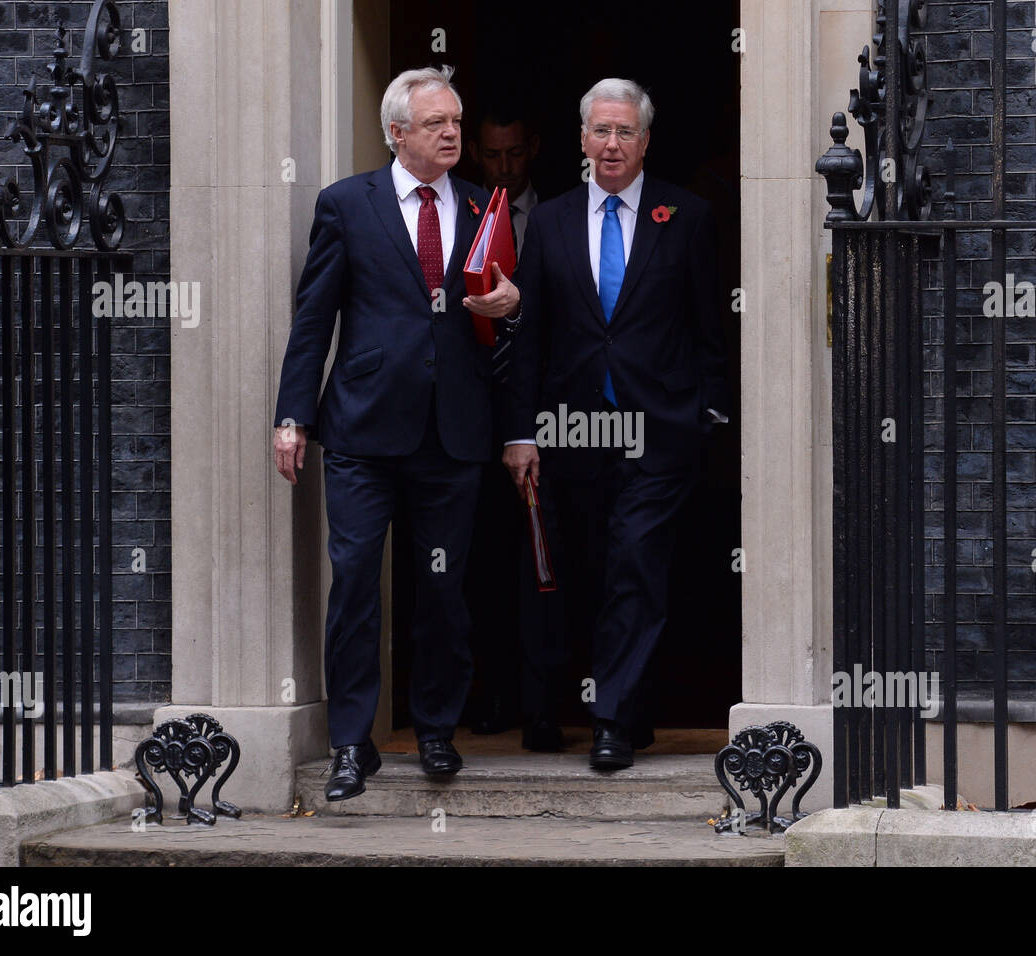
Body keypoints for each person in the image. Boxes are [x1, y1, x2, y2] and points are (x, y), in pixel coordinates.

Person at [272, 66, 519, 800]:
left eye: (456, 121)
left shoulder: (482, 206)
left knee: (442, 587)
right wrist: (294, 416)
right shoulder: (348, 204)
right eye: (436, 122)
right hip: (362, 433)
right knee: (354, 585)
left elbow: (507, 328)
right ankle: (351, 744)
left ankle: (437, 729)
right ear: (397, 132)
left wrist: (511, 306)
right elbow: (314, 319)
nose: (452, 133)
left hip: (453, 433)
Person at [499, 78, 731, 770]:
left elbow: (706, 328)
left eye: (625, 131)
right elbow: (530, 337)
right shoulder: (550, 222)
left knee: (636, 562)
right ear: (580, 140)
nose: (611, 144)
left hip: (657, 431)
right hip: (570, 432)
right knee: (580, 571)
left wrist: (708, 415)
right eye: (600, 131)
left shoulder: (684, 216)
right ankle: (577, 704)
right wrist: (521, 433)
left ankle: (611, 722)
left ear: (646, 141)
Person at [462, 108, 568, 751]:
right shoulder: (465, 215)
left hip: (551, 411)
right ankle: (491, 692)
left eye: (514, 155)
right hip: (473, 412)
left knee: (544, 563)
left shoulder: (558, 218)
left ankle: (543, 704)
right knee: (482, 562)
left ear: (532, 148)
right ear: (478, 153)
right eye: (492, 156)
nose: (504, 168)